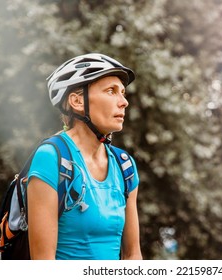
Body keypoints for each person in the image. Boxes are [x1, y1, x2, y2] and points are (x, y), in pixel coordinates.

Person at [26, 53, 142, 260]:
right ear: (77, 101)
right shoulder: (51, 158)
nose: (124, 102)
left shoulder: (125, 166)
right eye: (111, 91)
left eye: (123, 93)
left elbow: (133, 255)